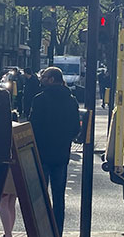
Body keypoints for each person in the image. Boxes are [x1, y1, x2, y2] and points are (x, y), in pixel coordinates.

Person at [30, 67, 81, 236]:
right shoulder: (71, 100)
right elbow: (75, 129)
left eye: (44, 77)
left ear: (51, 79)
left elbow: (33, 127)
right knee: (59, 197)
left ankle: (42, 230)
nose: (41, 79)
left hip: (42, 154)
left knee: (40, 198)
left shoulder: (39, 99)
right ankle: (57, 231)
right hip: (61, 154)